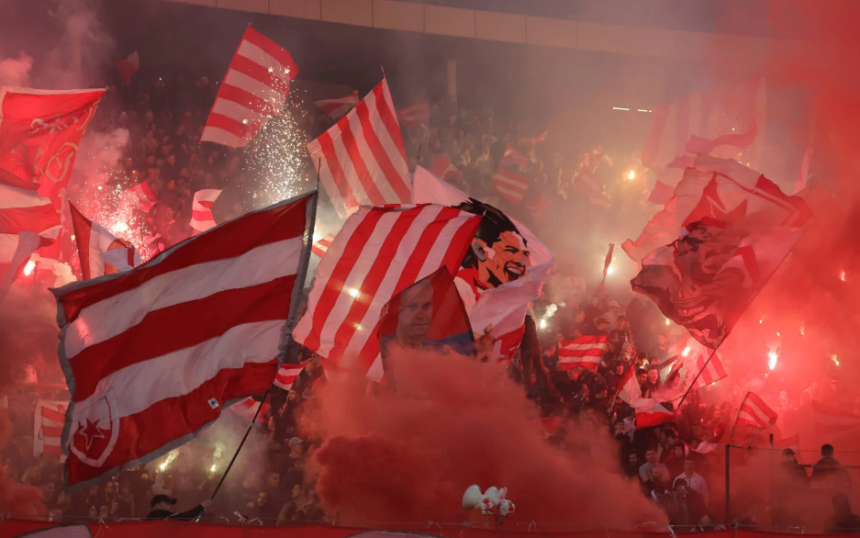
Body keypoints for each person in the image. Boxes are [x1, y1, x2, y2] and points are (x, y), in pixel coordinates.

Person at [145, 494, 211, 520]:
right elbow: (184, 517)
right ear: (158, 505)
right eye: (167, 504)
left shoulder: (153, 516)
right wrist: (202, 506)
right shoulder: (158, 513)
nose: (169, 507)